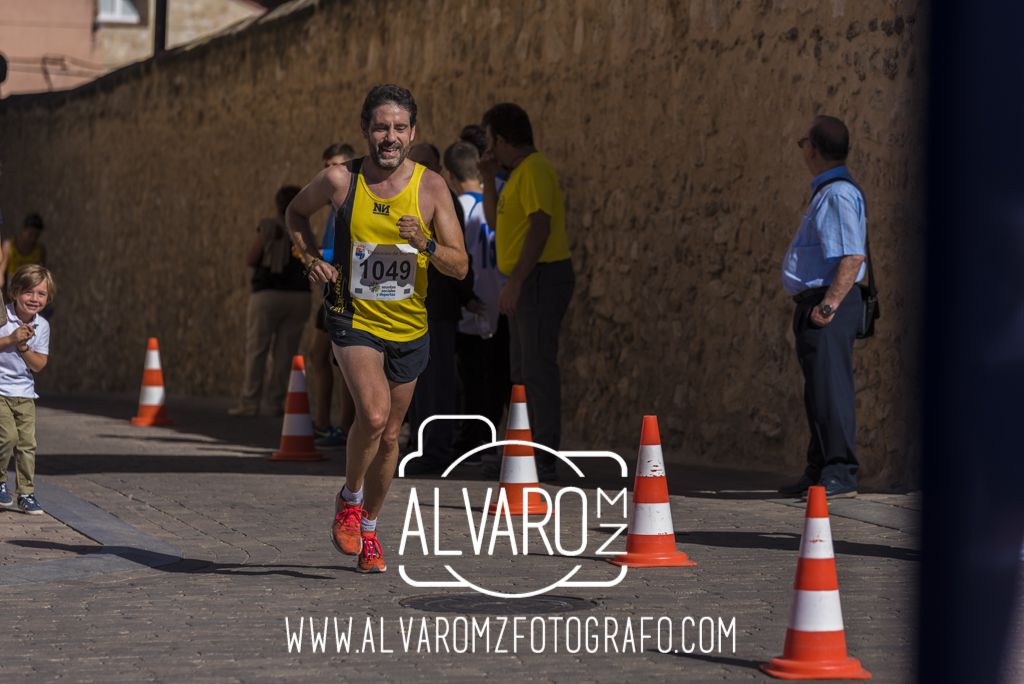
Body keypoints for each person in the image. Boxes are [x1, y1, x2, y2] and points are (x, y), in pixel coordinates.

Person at [284, 84, 468, 573]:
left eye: (400, 128)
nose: (390, 136)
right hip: (351, 314)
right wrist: (308, 260)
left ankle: (368, 528)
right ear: (365, 129)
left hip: (409, 325)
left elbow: (460, 266)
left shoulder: (431, 188)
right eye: (381, 126)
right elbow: (295, 212)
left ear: (414, 133)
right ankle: (348, 499)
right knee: (372, 411)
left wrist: (425, 244)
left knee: (390, 436)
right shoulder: (340, 180)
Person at [479, 103, 574, 481]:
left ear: (502, 140)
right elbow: (491, 222)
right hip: (526, 278)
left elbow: (540, 226)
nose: (489, 149)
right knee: (520, 370)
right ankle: (523, 451)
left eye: (490, 142)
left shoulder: (534, 169)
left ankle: (544, 455)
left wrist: (516, 282)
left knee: (535, 368)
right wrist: (488, 179)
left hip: (539, 278)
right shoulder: (515, 175)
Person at [777, 115, 868, 499]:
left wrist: (828, 306)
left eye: (803, 143)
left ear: (812, 149)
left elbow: (852, 256)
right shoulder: (829, 191)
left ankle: (840, 472)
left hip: (829, 304)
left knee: (831, 389)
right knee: (817, 391)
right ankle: (819, 471)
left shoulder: (836, 194)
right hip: (819, 303)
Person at [403, 142, 474, 475]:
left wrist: (466, 296)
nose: (422, 172)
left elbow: (459, 257)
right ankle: (417, 446)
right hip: (405, 307)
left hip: (437, 307)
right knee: (414, 384)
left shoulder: (443, 200)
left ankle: (435, 451)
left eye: (428, 165)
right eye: (416, 165)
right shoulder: (400, 199)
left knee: (437, 383)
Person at [444, 141, 512, 465]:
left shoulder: (459, 208)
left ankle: (472, 440)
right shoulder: (497, 201)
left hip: (472, 306)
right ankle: (486, 437)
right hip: (500, 300)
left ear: (449, 173)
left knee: (471, 379)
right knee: (495, 376)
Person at [228, 186, 312, 417]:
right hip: (299, 295)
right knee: (286, 352)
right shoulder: (305, 229)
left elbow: (252, 258)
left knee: (257, 349)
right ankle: (276, 402)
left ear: (277, 205)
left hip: (268, 293)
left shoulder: (268, 226)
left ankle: (250, 402)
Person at [311, 142, 357, 447]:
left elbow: (354, 251)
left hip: (347, 292)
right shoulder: (331, 204)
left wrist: (320, 254)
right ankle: (322, 422)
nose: (330, 171)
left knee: (343, 363)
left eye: (336, 165)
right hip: (330, 290)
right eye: (326, 165)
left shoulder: (353, 202)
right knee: (318, 355)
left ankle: (344, 427)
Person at [0, 265, 53, 515]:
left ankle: (26, 492)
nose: (34, 299)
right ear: (14, 292)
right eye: (28, 292)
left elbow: (39, 364)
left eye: (41, 294)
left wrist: (23, 347)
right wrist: (11, 338)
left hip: (25, 393)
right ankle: (0, 483)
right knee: (7, 438)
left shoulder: (42, 326)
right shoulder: (3, 317)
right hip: (0, 391)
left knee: (27, 444)